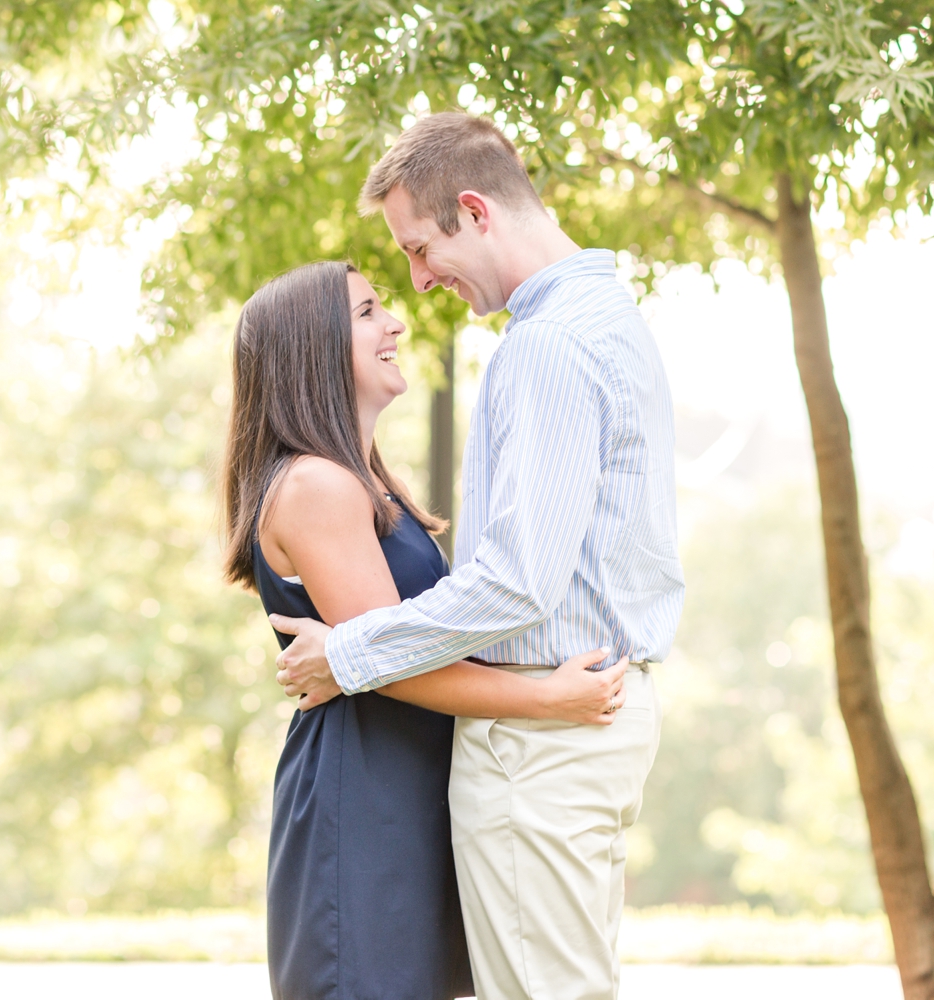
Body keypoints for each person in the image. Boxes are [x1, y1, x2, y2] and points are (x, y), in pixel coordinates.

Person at [271, 113, 684, 1000]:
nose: (419, 282)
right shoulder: (604, 317)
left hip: (544, 744)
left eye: (420, 249)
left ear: (474, 210)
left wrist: (346, 654)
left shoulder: (544, 348)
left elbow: (516, 586)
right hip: (574, 722)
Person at [222, 259, 630, 1000]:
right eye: (367, 311)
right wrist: (549, 698)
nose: (396, 322)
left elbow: (390, 646)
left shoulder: (364, 482)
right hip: (363, 800)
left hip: (405, 792)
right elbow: (392, 662)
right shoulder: (318, 485)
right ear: (311, 348)